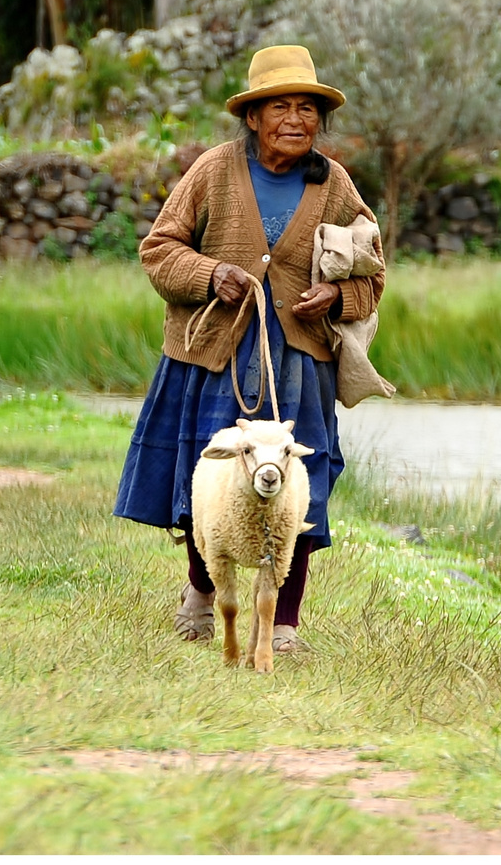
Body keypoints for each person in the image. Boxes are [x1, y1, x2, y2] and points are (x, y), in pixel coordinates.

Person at [113, 45, 385, 652]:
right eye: (280, 107)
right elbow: (159, 250)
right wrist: (213, 276)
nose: (296, 119)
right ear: (254, 118)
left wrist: (334, 298)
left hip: (300, 362)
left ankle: (283, 622)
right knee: (214, 480)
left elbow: (373, 276)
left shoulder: (335, 184)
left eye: (308, 108)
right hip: (215, 355)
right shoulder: (213, 171)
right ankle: (202, 596)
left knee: (298, 483)